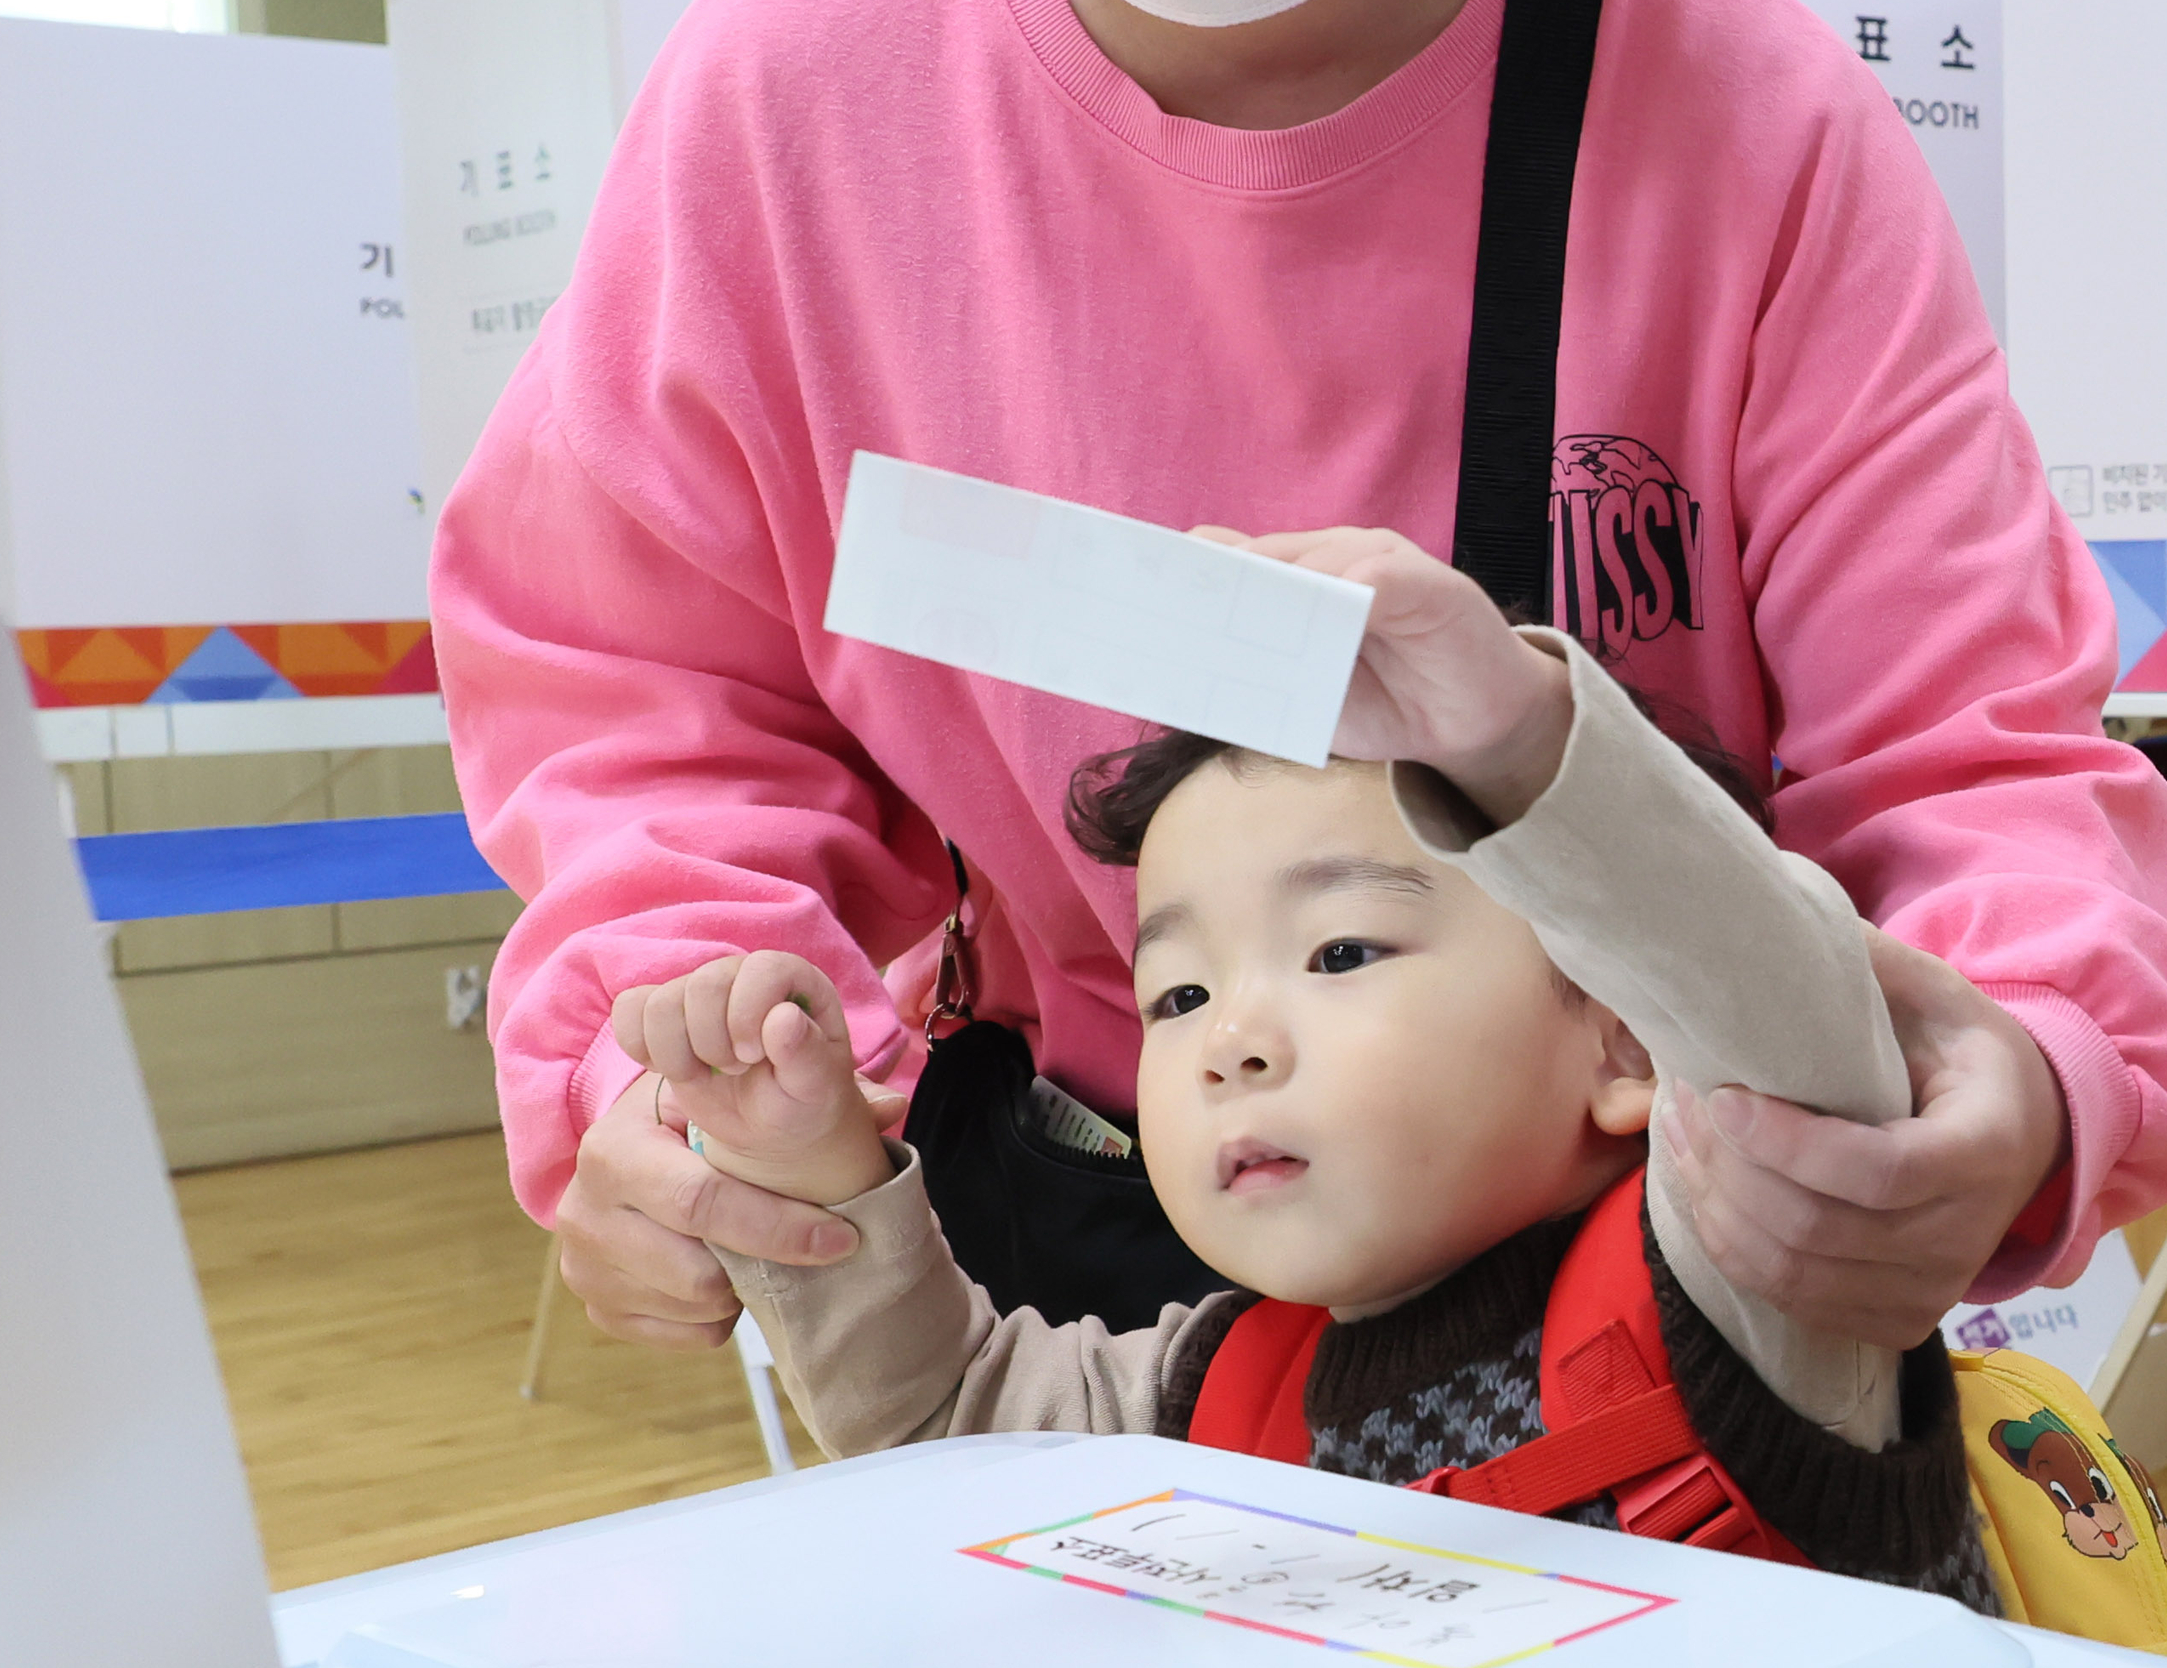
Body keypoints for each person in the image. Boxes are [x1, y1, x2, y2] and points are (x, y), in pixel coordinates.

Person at [433, 0, 2167, 1364]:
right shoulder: (788, 98)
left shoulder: (1730, 103)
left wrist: (2025, 1067)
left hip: (1681, 1258)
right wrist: (687, 1053)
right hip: (1102, 1257)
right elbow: (641, 692)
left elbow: (1961, 759)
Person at [623, 530, 1994, 1604]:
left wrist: (1518, 737)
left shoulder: (1747, 1276)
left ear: (1627, 1031)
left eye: (1339, 953)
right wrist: (806, 1165)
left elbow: (1778, 1009)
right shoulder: (1209, 1391)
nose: (1234, 1038)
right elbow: (954, 1423)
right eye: (1181, 990)